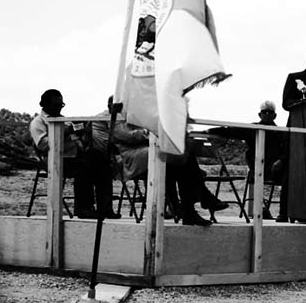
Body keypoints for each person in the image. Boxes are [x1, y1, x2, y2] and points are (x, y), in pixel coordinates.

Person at [91, 111, 227, 226]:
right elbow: (125, 135)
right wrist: (150, 132)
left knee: (184, 161)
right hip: (132, 155)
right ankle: (199, 203)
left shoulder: (135, 113)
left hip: (149, 151)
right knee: (183, 162)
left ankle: (191, 209)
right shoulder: (114, 116)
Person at [27, 88, 114, 219]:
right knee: (84, 167)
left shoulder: (64, 120)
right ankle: (83, 208)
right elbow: (43, 145)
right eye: (56, 105)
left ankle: (105, 207)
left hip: (75, 155)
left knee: (101, 160)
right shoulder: (38, 122)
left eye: (61, 105)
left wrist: (82, 133)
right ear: (45, 104)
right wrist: (65, 133)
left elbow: (76, 139)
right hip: (56, 159)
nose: (59, 108)